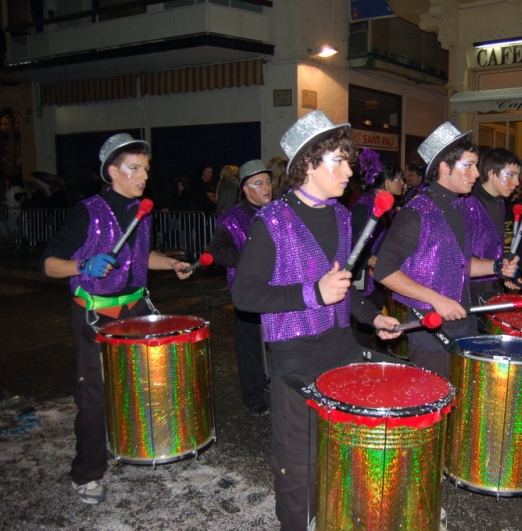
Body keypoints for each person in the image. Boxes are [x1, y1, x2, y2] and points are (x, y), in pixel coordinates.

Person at [231, 111, 401, 531]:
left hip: (341, 349)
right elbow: (244, 294)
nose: (349, 171)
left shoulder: (342, 217)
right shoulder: (271, 222)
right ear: (307, 165)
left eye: (349, 161)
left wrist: (373, 315)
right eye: (338, 162)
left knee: (345, 457)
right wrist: (311, 293)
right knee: (299, 466)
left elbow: (344, 288)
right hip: (295, 360)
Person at [39, 133, 192, 504]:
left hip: (135, 310)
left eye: (145, 169)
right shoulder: (87, 210)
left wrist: (169, 262)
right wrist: (82, 264)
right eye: (134, 168)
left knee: (142, 387)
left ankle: (136, 446)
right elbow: (49, 265)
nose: (142, 176)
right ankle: (87, 473)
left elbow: (142, 257)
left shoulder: (143, 210)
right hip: (95, 314)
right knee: (94, 396)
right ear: (112, 171)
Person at [374, 122, 518, 379]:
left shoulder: (463, 208)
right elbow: (384, 270)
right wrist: (436, 300)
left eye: (476, 165)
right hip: (430, 332)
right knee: (434, 415)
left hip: (466, 325)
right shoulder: (415, 213)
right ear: (444, 167)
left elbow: (462, 264)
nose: (476, 173)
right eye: (468, 165)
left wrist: (496, 266)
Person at [208, 160, 273, 417]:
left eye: (268, 181)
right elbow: (217, 250)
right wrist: (247, 264)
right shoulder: (232, 217)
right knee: (250, 345)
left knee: (279, 339)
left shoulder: (278, 212)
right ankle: (253, 395)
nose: (266, 188)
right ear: (246, 188)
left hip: (277, 290)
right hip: (247, 292)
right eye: (259, 183)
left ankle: (270, 380)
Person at [350, 149, 403, 349]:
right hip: (367, 275)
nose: (402, 183)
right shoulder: (365, 204)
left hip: (379, 272)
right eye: (398, 179)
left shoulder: (386, 205)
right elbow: (355, 240)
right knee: (366, 321)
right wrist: (373, 261)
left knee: (380, 320)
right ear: (386, 182)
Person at [463, 147, 521, 305]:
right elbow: (462, 252)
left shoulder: (501, 202)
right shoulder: (468, 202)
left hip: (492, 285)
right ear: (491, 173)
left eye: (517, 176)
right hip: (469, 289)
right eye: (510, 175)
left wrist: (506, 271)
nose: (516, 182)